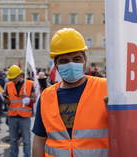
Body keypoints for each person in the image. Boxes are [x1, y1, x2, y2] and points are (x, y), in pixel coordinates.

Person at [32, 28, 108, 157]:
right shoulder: (46, 96)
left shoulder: (105, 88)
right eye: (64, 61)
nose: (71, 64)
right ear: (56, 65)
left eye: (76, 59)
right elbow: (39, 139)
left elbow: (127, 132)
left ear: (85, 59)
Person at [4, 65, 35, 157]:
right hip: (12, 116)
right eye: (11, 78)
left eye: (14, 77)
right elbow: (7, 100)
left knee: (26, 140)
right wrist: (5, 100)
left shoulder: (29, 84)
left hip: (25, 117)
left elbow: (34, 98)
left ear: (20, 75)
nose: (12, 79)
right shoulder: (8, 85)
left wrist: (29, 100)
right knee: (13, 140)